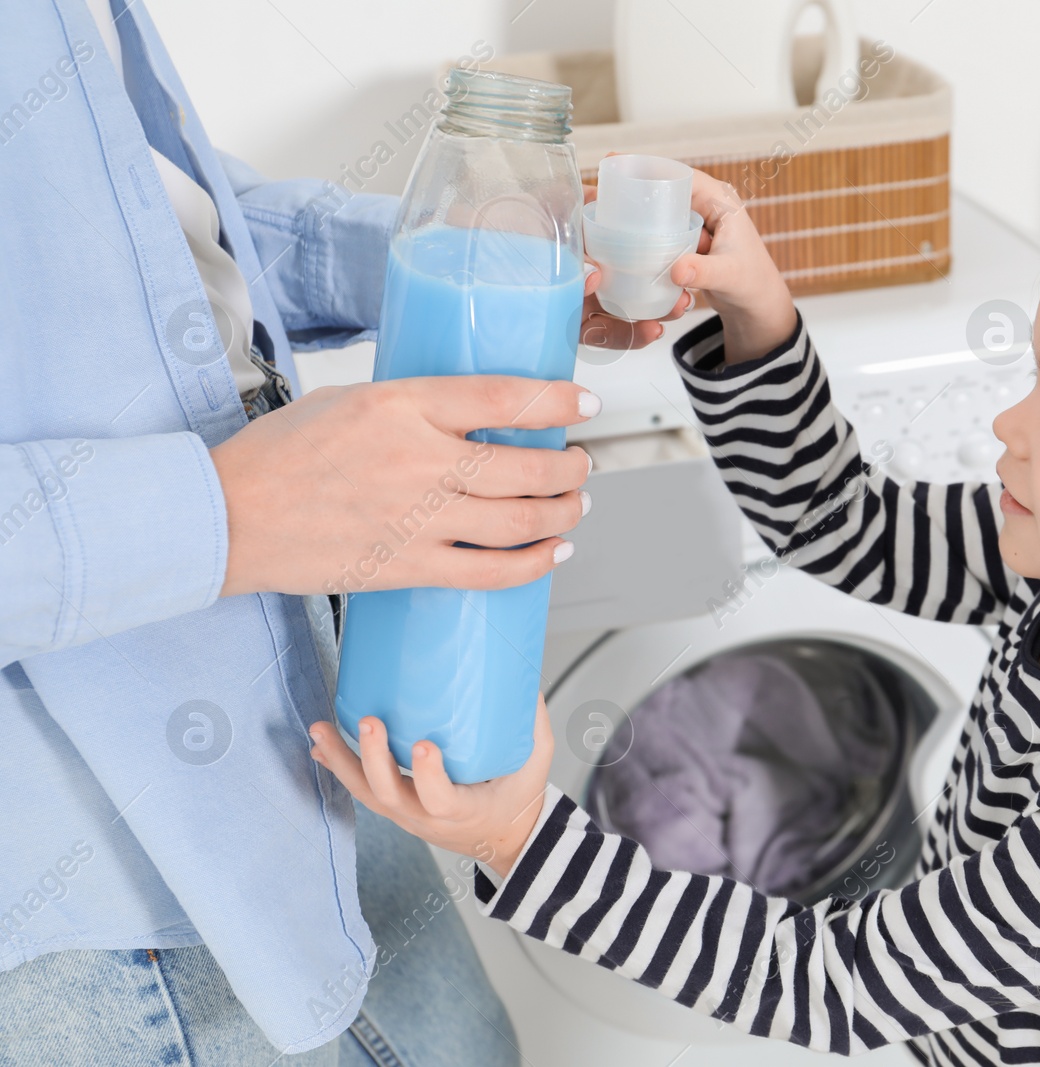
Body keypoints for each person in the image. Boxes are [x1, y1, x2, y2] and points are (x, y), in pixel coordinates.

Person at [312, 167, 1040, 1067]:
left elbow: (838, 976)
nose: (1009, 423)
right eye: (1034, 379)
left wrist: (521, 839)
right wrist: (758, 317)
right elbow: (842, 520)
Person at [0, 1, 678, 1061]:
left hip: (287, 704)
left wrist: (494, 255)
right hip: (99, 875)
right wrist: (224, 512)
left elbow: (133, 210)